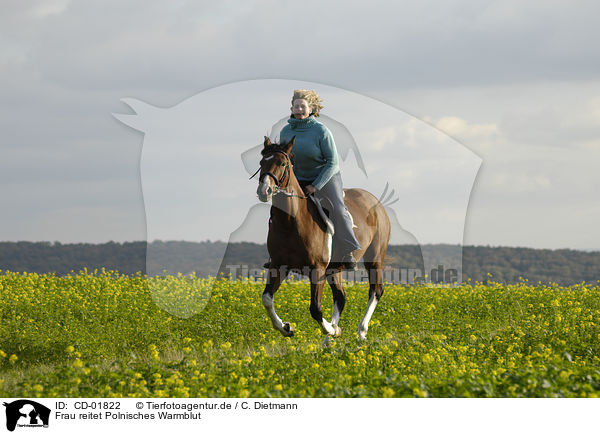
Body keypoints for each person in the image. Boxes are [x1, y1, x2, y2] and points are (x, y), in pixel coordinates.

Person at [267, 89, 362, 269]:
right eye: (296, 106)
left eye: (303, 106)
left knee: (337, 207)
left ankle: (348, 249)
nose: (299, 109)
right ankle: (277, 255)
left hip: (325, 177)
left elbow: (333, 162)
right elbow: (286, 162)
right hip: (299, 177)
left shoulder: (321, 131)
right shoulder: (286, 131)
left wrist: (315, 186)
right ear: (292, 108)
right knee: (278, 209)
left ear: (311, 109)